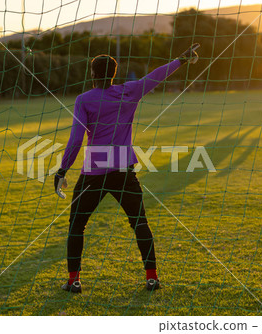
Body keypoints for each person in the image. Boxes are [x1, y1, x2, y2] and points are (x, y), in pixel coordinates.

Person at [54, 44, 199, 293]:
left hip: (94, 172)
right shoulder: (129, 91)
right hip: (124, 169)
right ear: (113, 73)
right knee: (139, 222)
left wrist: (61, 171)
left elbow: (76, 140)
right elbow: (156, 75)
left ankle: (74, 280)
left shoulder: (83, 100)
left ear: (92, 73)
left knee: (77, 225)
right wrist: (181, 60)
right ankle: (152, 277)